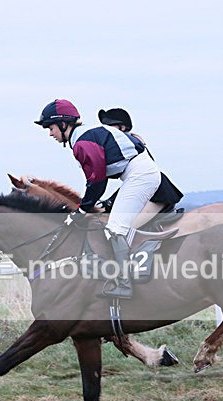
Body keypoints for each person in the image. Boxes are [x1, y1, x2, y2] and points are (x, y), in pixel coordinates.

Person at [35, 99, 164, 299]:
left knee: (116, 227)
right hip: (138, 172)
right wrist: (85, 206)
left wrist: (83, 209)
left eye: (50, 128)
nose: (50, 133)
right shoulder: (85, 136)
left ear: (63, 124)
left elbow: (97, 179)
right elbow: (96, 180)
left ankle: (124, 283)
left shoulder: (82, 142)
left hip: (139, 174)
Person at [97, 108, 184, 221]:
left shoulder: (131, 145)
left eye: (109, 126)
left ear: (122, 127)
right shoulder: (123, 144)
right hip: (143, 187)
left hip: (155, 194)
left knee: (124, 228)